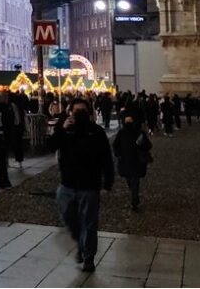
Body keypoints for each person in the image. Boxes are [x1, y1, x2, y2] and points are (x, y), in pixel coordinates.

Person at [48, 97, 114, 273]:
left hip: (89, 185)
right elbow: (51, 146)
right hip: (67, 184)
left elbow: (106, 158)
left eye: (83, 111)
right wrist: (62, 129)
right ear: (70, 112)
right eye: (76, 111)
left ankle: (88, 257)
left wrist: (108, 181)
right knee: (68, 218)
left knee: (89, 223)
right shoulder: (65, 129)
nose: (79, 114)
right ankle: (80, 240)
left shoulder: (96, 132)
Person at [112, 115, 152, 211]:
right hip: (137, 160)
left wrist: (118, 154)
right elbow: (148, 145)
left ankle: (134, 195)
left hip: (125, 160)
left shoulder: (122, 133)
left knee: (129, 179)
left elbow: (115, 145)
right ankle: (134, 196)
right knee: (135, 180)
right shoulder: (139, 133)